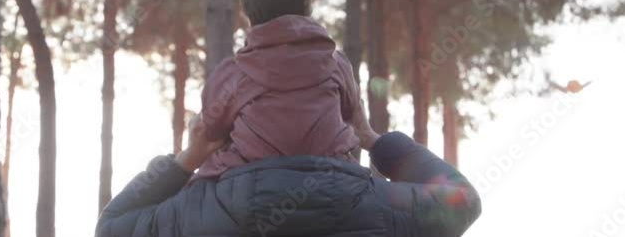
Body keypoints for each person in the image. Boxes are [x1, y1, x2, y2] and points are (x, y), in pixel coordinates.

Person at [95, 105, 482, 236]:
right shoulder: (378, 205)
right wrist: (373, 139)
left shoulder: (196, 215)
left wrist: (188, 158)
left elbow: (112, 227)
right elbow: (461, 200)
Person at [193, 0, 367, 182]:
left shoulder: (234, 73)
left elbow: (211, 133)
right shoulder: (336, 64)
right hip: (333, 181)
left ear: (246, 12)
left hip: (249, 185)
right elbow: (350, 113)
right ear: (308, 7)